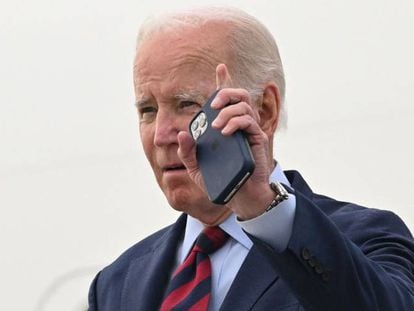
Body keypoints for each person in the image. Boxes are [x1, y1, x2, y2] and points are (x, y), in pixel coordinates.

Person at [88, 6, 414, 311]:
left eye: (187, 104)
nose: (160, 136)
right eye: (148, 110)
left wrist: (260, 205)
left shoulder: (366, 239)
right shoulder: (116, 284)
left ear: (264, 110)